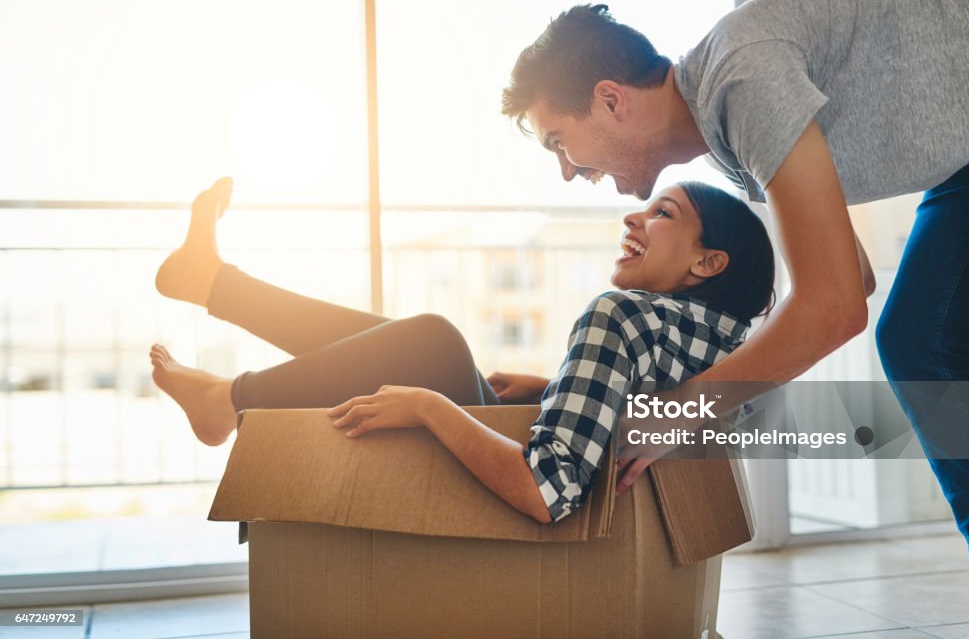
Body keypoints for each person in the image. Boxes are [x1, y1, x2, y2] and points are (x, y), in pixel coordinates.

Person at [500, 0, 969, 638]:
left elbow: (833, 305)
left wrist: (681, 409)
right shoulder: (731, 139)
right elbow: (852, 276)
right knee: (922, 340)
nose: (565, 171)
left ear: (610, 100)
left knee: (921, 340)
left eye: (559, 141)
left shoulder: (741, 76)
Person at [151, 176, 775, 523]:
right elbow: (696, 418)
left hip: (511, 511)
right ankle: (213, 294)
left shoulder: (624, 318)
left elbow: (546, 490)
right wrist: (558, 389)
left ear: (708, 261)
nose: (633, 219)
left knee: (430, 347)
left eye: (662, 212)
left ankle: (228, 393)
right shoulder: (728, 348)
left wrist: (428, 407)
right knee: (421, 347)